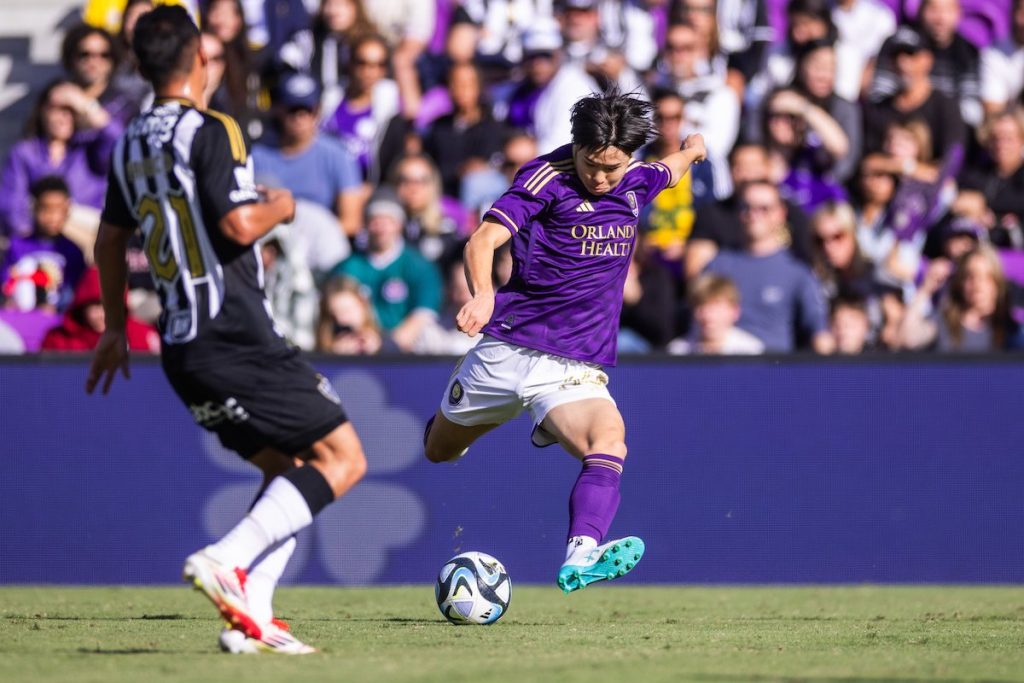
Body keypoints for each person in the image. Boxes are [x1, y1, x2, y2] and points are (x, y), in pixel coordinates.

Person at [84, 6, 366, 655]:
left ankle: (252, 618)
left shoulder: (130, 140)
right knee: (345, 458)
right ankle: (225, 559)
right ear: (200, 60)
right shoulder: (214, 128)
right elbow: (240, 227)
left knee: (290, 468)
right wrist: (285, 204)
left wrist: (115, 328)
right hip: (234, 330)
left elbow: (109, 240)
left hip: (181, 345)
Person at [422, 92, 707, 593]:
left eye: (612, 169)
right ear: (576, 144)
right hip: (509, 351)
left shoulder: (637, 182)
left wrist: (694, 150)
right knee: (439, 451)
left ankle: (581, 555)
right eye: (592, 165)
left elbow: (671, 167)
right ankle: (489, 421)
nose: (600, 179)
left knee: (609, 443)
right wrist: (484, 295)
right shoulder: (543, 179)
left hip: (574, 365)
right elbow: (482, 240)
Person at [704, 180, 833, 353]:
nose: (754, 214)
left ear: (781, 213)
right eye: (746, 207)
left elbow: (819, 331)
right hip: (721, 369)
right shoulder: (718, 265)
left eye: (764, 208)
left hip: (773, 371)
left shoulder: (797, 271)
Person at [0, 79, 122, 239]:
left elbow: (121, 143)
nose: (64, 117)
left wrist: (86, 104)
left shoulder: (90, 148)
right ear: (42, 111)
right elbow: (11, 206)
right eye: (56, 109)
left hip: (87, 241)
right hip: (39, 238)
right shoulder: (25, 152)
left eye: (70, 110)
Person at [329, 189, 444, 349]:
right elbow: (337, 313)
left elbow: (422, 316)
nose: (381, 227)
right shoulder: (348, 266)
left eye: (388, 220)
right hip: (359, 345)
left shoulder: (420, 266)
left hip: (407, 349)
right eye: (374, 220)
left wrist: (386, 345)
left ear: (399, 224)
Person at [252, 72, 363, 237]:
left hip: (321, 245)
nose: (299, 117)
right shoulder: (257, 154)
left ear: (317, 110)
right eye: (293, 109)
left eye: (307, 109)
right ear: (279, 110)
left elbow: (351, 222)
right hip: (270, 241)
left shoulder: (337, 154)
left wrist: (311, 240)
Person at [900, 245, 1022, 352]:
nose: (977, 284)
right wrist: (926, 289)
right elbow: (908, 339)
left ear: (997, 283)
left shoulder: (1010, 330)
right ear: (960, 282)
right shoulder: (943, 322)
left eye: (986, 277)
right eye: (970, 276)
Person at [0, 176, 86, 313]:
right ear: (33, 208)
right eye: (46, 209)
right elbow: (6, 283)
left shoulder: (73, 251)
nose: (53, 217)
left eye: (59, 210)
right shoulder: (16, 246)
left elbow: (78, 292)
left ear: (67, 209)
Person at [41, 266, 159, 352]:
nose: (103, 315)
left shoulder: (141, 335)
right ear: (82, 307)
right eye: (96, 306)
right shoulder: (59, 340)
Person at [666, 273, 764, 354]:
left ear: (735, 312)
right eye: (701, 307)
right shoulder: (677, 351)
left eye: (716, 308)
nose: (708, 316)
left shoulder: (751, 351)